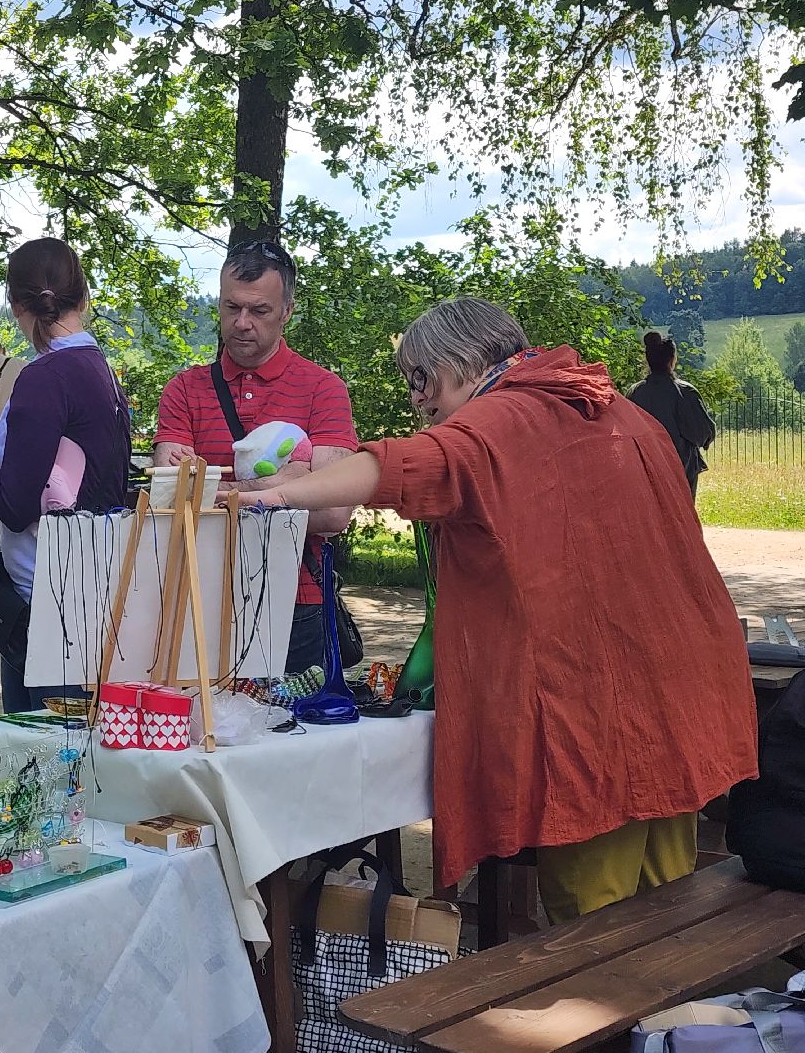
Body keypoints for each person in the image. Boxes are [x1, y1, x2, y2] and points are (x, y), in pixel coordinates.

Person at [245, 297, 757, 922]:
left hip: (596, 711)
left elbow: (405, 466)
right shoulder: (617, 410)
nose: (418, 403)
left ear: (460, 364)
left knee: (595, 925)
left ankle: (633, 1019)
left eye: (421, 381)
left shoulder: (499, 421)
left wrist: (275, 493)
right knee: (669, 906)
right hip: (679, 690)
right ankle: (681, 1020)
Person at [154, 239, 358, 674]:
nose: (242, 323)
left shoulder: (323, 389)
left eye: (259, 311)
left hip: (297, 600)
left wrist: (217, 488)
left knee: (297, 741)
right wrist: (288, 482)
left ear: (287, 310)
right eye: (231, 308)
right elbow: (170, 502)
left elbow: (334, 512)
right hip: (200, 596)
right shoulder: (184, 390)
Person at [0, 238, 131, 713]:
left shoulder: (44, 375)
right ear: (84, 295)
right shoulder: (98, 369)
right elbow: (39, 473)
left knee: (43, 761)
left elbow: (16, 503)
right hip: (90, 590)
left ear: (14, 304)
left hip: (45, 604)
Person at [626, 330, 716, 497]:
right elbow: (703, 434)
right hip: (681, 470)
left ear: (648, 359)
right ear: (672, 359)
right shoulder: (685, 392)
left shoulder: (635, 393)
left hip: (645, 470)